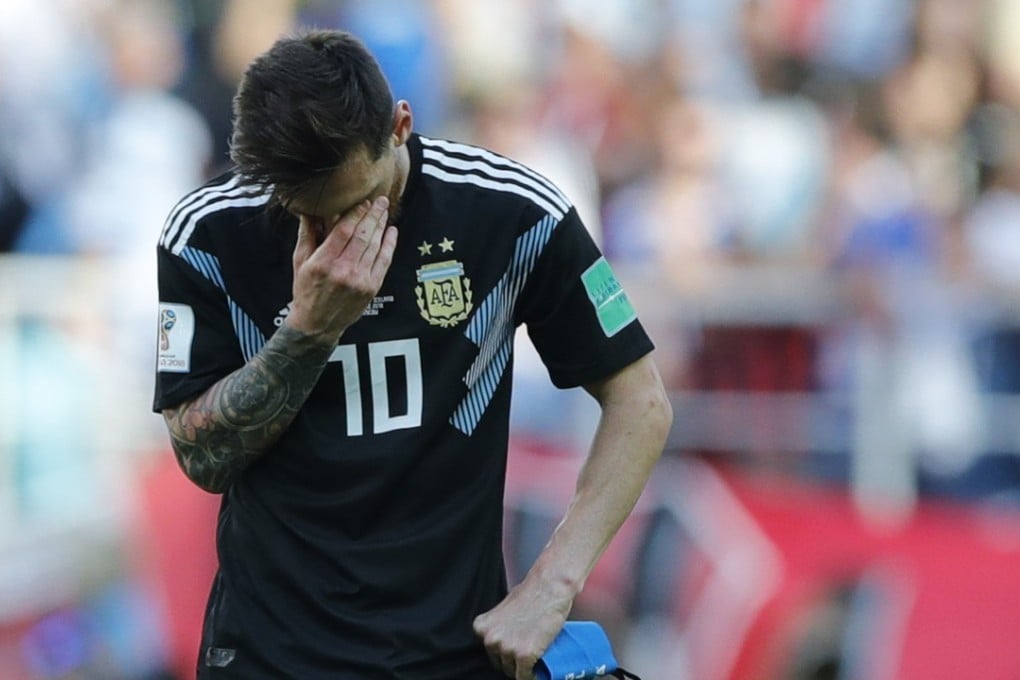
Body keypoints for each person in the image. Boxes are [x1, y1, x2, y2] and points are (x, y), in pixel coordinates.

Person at [153, 29, 672, 680]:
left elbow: (641, 401)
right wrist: (308, 332)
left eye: (356, 205)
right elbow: (200, 458)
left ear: (400, 127)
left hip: (450, 652)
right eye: (305, 215)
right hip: (269, 653)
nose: (338, 237)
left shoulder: (513, 212)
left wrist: (551, 586)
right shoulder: (207, 233)